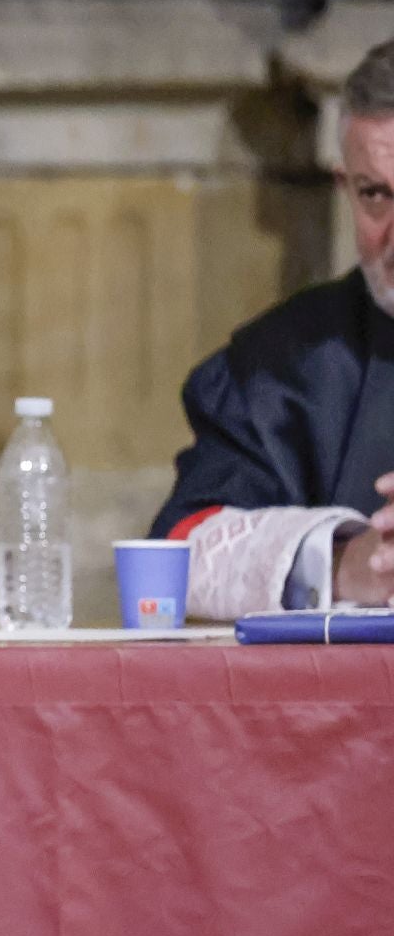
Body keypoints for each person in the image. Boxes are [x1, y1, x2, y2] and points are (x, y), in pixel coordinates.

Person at [151, 39, 394, 618]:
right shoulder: (284, 363)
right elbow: (182, 550)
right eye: (376, 195)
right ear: (344, 188)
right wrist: (348, 565)